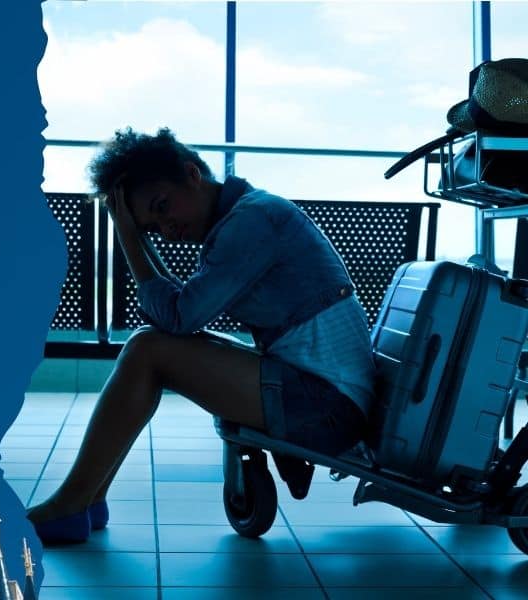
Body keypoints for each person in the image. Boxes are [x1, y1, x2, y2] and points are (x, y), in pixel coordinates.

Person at [26, 128, 376, 545]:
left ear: (191, 173)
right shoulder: (246, 216)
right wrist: (138, 234)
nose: (167, 229)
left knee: (147, 350)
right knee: (146, 346)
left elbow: (178, 317)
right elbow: (179, 311)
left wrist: (129, 237)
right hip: (319, 391)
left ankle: (72, 504)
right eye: (152, 228)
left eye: (162, 207)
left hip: (326, 404)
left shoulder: (252, 222)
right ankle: (88, 497)